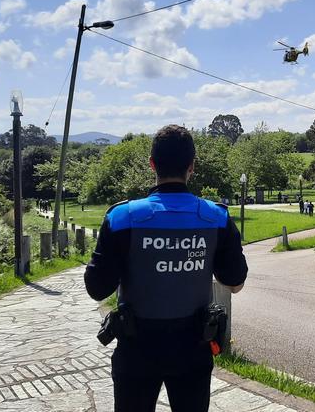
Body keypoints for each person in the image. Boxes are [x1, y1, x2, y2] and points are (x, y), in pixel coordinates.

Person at [84, 124, 248, 412]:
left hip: (137, 349)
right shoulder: (217, 218)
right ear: (192, 167)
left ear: (152, 165)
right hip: (193, 348)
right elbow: (234, 283)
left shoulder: (122, 217)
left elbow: (97, 288)